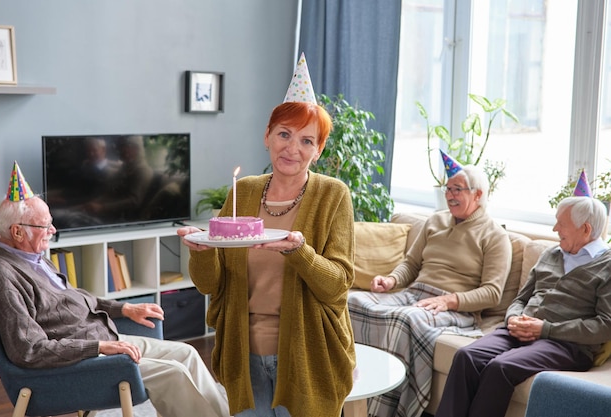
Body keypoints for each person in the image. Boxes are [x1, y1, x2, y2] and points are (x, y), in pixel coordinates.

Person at [177, 53, 356, 417]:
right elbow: (210, 285)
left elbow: (337, 285)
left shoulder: (333, 195)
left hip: (308, 353)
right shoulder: (242, 192)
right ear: (267, 137)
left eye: (307, 141)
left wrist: (300, 252)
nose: (293, 148)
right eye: (284, 134)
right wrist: (200, 250)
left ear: (318, 150)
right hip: (243, 353)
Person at [0, 161, 230, 417]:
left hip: (102, 342)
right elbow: (28, 350)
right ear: (17, 232)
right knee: (173, 373)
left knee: (187, 353)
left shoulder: (33, 257)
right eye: (45, 226)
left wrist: (123, 308)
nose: (53, 230)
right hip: (80, 363)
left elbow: (75, 298)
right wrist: (99, 348)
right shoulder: (1, 275)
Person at [347, 150, 512, 417]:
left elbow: (492, 293)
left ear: (478, 195)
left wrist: (450, 301)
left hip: (456, 308)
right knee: (352, 302)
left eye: (457, 190)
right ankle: (350, 391)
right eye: (448, 189)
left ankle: (385, 408)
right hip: (415, 293)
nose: (450, 195)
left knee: (405, 321)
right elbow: (411, 263)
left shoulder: (495, 236)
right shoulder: (434, 221)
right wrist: (391, 280)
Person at [434, 195, 611, 417]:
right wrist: (513, 318)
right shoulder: (551, 254)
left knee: (500, 367)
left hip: (566, 344)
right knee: (466, 356)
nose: (555, 228)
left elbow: (605, 325)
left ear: (585, 229)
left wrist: (545, 329)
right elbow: (520, 299)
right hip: (518, 330)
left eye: (562, 224)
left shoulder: (607, 265)